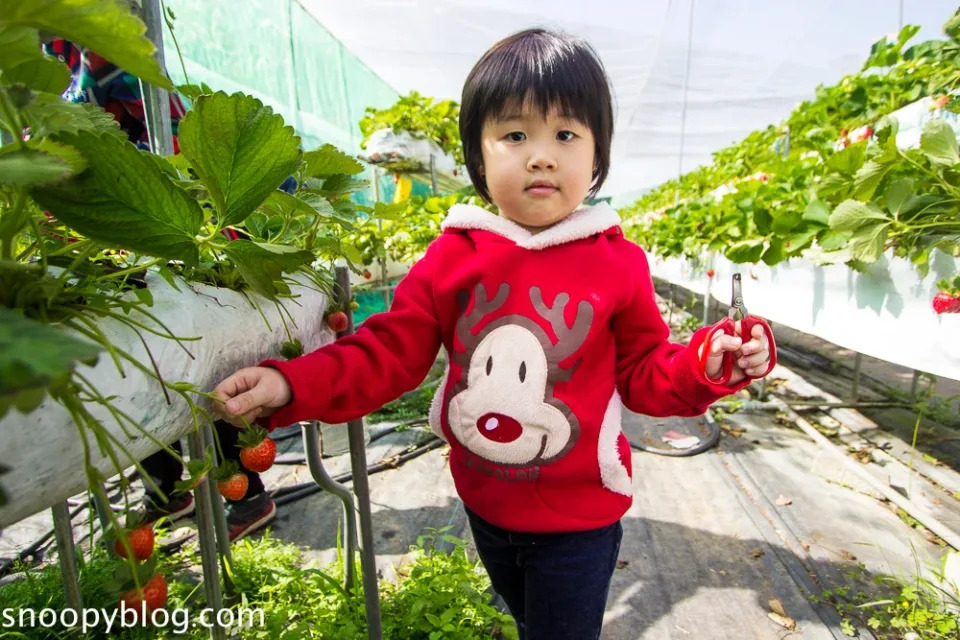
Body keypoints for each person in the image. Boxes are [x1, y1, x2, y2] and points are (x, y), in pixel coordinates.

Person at [212, 28, 775, 640]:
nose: (541, 155)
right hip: (484, 503)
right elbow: (388, 351)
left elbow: (644, 373)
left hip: (580, 520)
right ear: (478, 159)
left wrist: (704, 364)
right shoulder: (453, 258)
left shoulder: (618, 263)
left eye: (566, 134)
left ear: (597, 158)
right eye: (514, 135)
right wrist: (288, 383)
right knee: (528, 616)